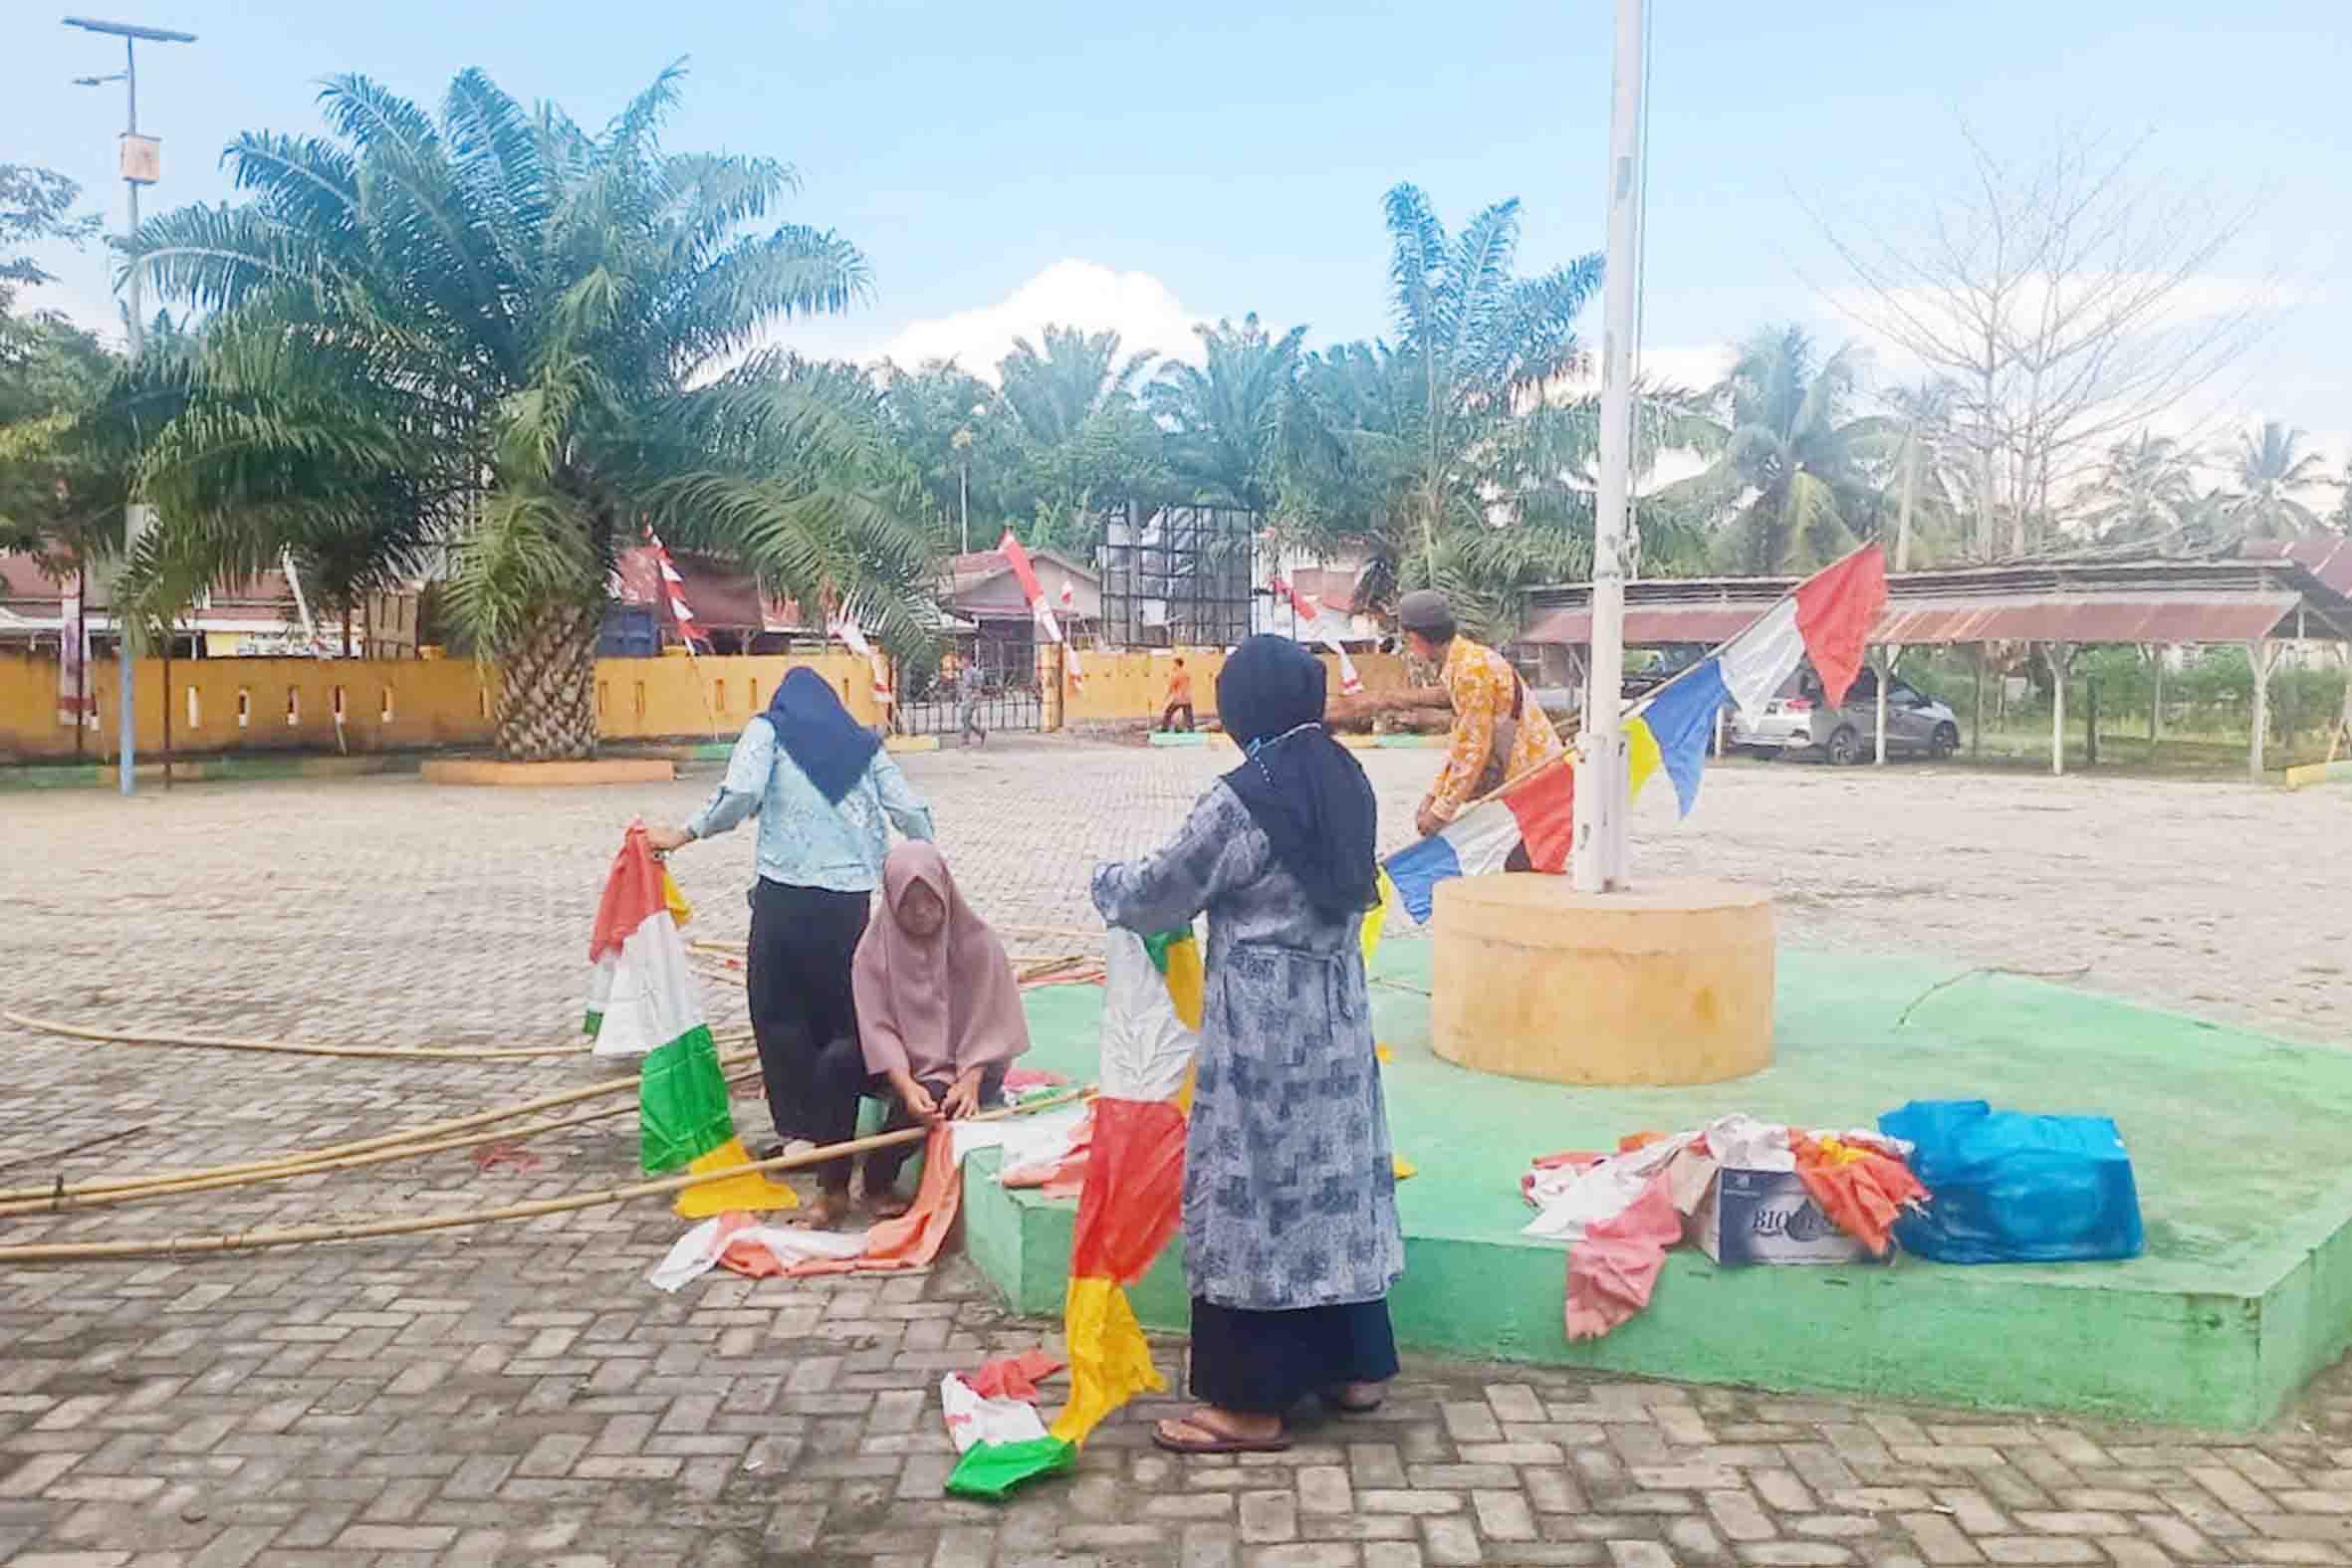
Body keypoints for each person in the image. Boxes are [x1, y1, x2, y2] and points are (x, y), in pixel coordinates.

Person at [1091, 635, 1402, 1455]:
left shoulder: (1244, 796)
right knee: (1332, 1189)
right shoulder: (1349, 777)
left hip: (1264, 1035)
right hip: (1336, 1023)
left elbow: (1163, 891)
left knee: (1254, 1200)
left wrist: (1104, 883)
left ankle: (1249, 1405)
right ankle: (1354, 1367)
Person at [643, 668, 933, 1196]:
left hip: (786, 898)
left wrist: (684, 834)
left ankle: (801, 1139)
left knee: (780, 1013)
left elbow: (741, 793)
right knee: (843, 1016)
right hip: (849, 905)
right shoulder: (861, 744)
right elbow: (907, 809)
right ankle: (837, 1139)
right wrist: (928, 868)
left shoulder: (769, 731)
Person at [800, 843, 1030, 1224]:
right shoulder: (873, 952)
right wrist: (904, 1082)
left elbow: (987, 1022)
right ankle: (833, 1187)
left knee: (937, 1099)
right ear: (890, 902)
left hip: (968, 1064)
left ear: (946, 892)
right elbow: (878, 1026)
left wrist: (970, 1079)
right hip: (901, 1059)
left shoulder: (978, 943)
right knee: (836, 1062)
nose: (921, 913)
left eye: (930, 900)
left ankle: (878, 1180)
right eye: (907, 903)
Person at [1395, 588, 1563, 849]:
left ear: (1415, 638)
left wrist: (1440, 811)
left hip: (1534, 782)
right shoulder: (1464, 661)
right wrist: (1434, 795)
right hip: (1527, 779)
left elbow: (1474, 748)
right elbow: (1462, 742)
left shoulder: (1470, 671)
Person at [956, 655, 987, 748]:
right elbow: (961, 686)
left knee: (966, 717)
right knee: (964, 719)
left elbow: (978, 685)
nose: (962, 662)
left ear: (968, 661)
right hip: (965, 698)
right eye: (961, 660)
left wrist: (977, 695)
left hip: (971, 697)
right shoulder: (963, 671)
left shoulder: (974, 671)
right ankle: (980, 732)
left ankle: (965, 739)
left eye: (963, 660)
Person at [1160, 657, 1195, 733]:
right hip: (1187, 698)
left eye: (1174, 664)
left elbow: (1171, 689)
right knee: (1189, 717)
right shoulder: (1187, 674)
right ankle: (1191, 731)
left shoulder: (1176, 675)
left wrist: (1164, 700)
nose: (1173, 666)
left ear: (1177, 664)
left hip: (1179, 699)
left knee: (1168, 713)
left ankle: (1164, 730)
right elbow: (1187, 685)